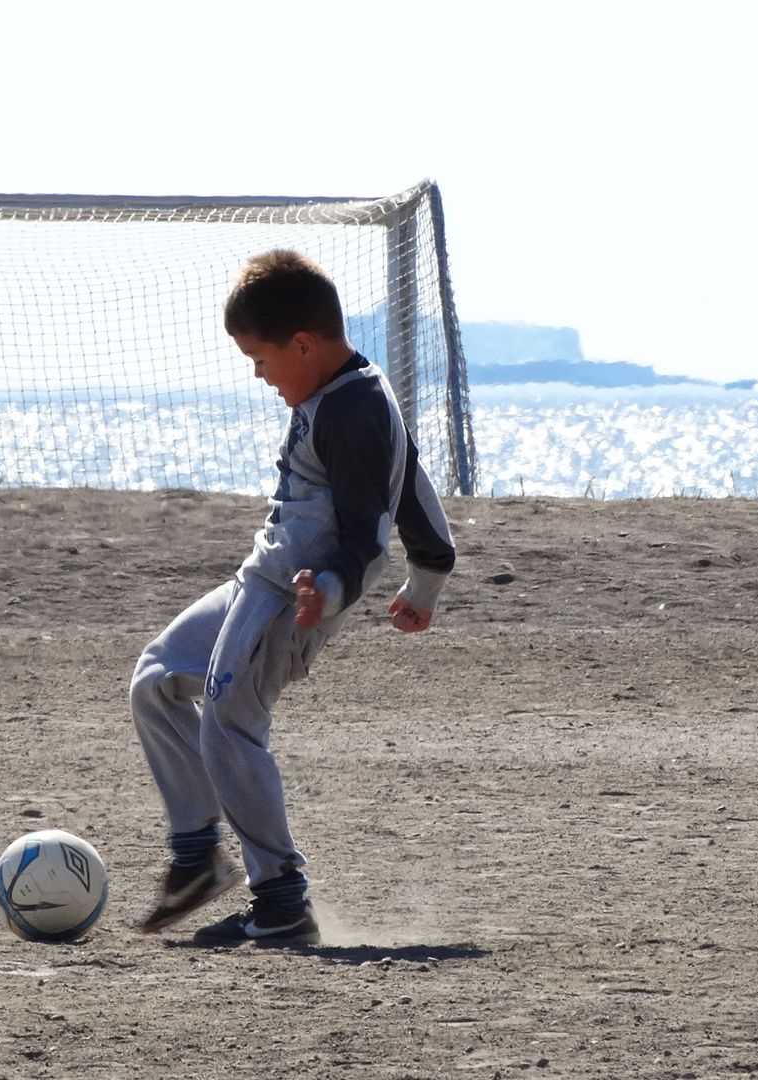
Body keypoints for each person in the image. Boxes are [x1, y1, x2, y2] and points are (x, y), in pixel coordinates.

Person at [130, 249, 457, 946]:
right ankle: (197, 860)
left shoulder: (355, 410)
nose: (259, 375)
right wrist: (428, 576)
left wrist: (330, 593)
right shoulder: (346, 391)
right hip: (263, 579)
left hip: (293, 597)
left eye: (261, 359)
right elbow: (414, 487)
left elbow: (368, 531)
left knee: (228, 721)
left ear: (304, 344)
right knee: (155, 680)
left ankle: (280, 901)